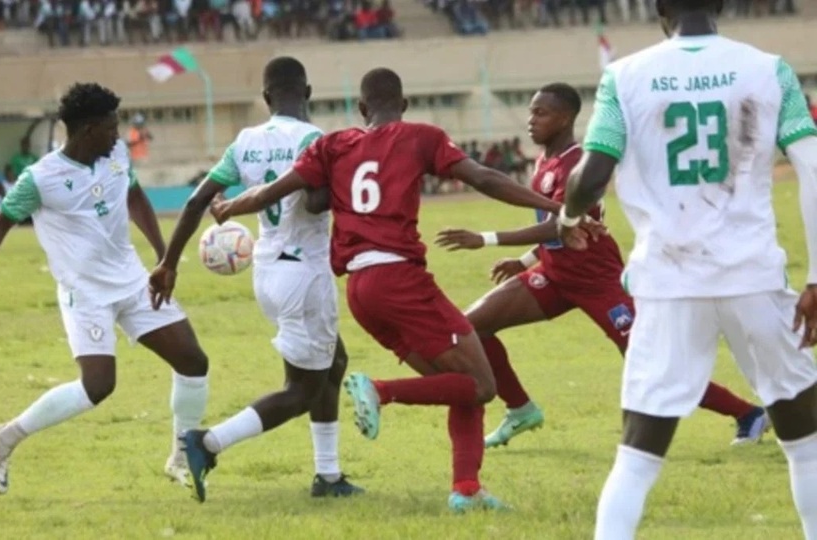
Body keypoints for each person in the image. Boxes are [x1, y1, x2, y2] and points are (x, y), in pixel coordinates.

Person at [210, 67, 596, 513]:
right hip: (400, 281)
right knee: (482, 383)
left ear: (360, 109)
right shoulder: (420, 136)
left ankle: (466, 491)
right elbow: (486, 179)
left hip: (361, 291)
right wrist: (558, 208)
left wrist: (227, 207)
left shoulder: (334, 144)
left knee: (460, 384)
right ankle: (379, 389)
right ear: (405, 104)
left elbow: (269, 193)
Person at [556, 1, 817, 537]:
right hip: (755, 278)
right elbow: (812, 168)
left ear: (660, 9)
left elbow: (590, 174)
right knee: (806, 441)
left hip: (667, 282)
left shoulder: (623, 76)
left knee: (637, 454)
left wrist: (568, 216)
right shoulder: (770, 69)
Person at [435, 83, 768, 449]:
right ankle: (520, 409)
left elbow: (563, 224)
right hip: (554, 273)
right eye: (531, 111)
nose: (531, 120)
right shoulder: (544, 160)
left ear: (565, 119)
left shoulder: (580, 163)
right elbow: (556, 229)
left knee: (653, 364)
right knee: (472, 328)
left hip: (598, 282)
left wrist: (485, 238)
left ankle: (748, 413)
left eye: (540, 113)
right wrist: (527, 260)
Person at [0, 83, 210, 495]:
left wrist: (163, 258)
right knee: (98, 386)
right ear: (87, 130)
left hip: (133, 281)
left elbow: (135, 197)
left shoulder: (116, 155)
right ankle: (3, 438)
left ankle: (180, 456)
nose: (118, 135)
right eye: (110, 127)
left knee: (193, 360)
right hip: (85, 295)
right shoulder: (40, 178)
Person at [148, 56, 363, 503]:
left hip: (265, 270)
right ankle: (206, 443)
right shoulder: (313, 138)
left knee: (334, 363)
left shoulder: (244, 142)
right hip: (304, 271)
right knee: (302, 389)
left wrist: (168, 263)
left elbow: (195, 202)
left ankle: (328, 475)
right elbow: (320, 202)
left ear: (266, 98)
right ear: (307, 93)